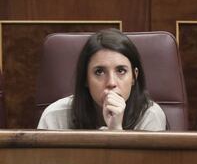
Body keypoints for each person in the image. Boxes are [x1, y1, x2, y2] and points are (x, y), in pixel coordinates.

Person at [38, 28, 166, 131]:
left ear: (134, 76)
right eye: (99, 72)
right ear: (85, 79)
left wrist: (116, 130)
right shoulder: (54, 116)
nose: (111, 82)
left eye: (121, 71)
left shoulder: (150, 116)